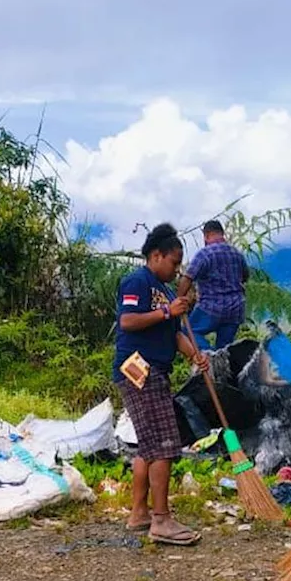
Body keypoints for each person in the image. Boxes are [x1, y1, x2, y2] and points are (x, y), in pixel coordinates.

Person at [114, 223, 210, 546]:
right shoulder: (137, 282)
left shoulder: (168, 291)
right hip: (139, 369)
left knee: (149, 445)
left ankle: (139, 513)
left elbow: (176, 333)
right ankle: (162, 519)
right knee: (166, 443)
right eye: (173, 261)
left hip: (157, 369)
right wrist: (166, 311)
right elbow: (127, 322)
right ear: (156, 256)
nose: (177, 269)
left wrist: (195, 355)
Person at [175, 220, 248, 351]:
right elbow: (245, 276)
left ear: (207, 235)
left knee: (188, 331)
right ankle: (221, 363)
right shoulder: (237, 254)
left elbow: (187, 278)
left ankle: (211, 357)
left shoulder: (204, 254)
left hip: (212, 307)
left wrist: (178, 300)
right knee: (225, 348)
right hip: (236, 309)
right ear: (222, 234)